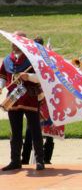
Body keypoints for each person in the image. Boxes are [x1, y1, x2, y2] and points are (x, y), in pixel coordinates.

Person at [0, 31, 45, 171]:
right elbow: (3, 76)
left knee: (35, 130)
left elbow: (40, 78)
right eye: (13, 41)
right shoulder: (7, 59)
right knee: (15, 132)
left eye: (18, 41)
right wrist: (0, 87)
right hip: (13, 98)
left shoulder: (33, 58)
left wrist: (28, 77)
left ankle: (40, 161)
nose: (15, 44)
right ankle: (15, 160)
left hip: (29, 98)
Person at [21, 36, 54, 165]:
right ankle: (25, 159)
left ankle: (46, 159)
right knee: (31, 129)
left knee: (49, 129)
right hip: (35, 98)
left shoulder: (47, 60)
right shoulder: (29, 61)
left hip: (48, 99)